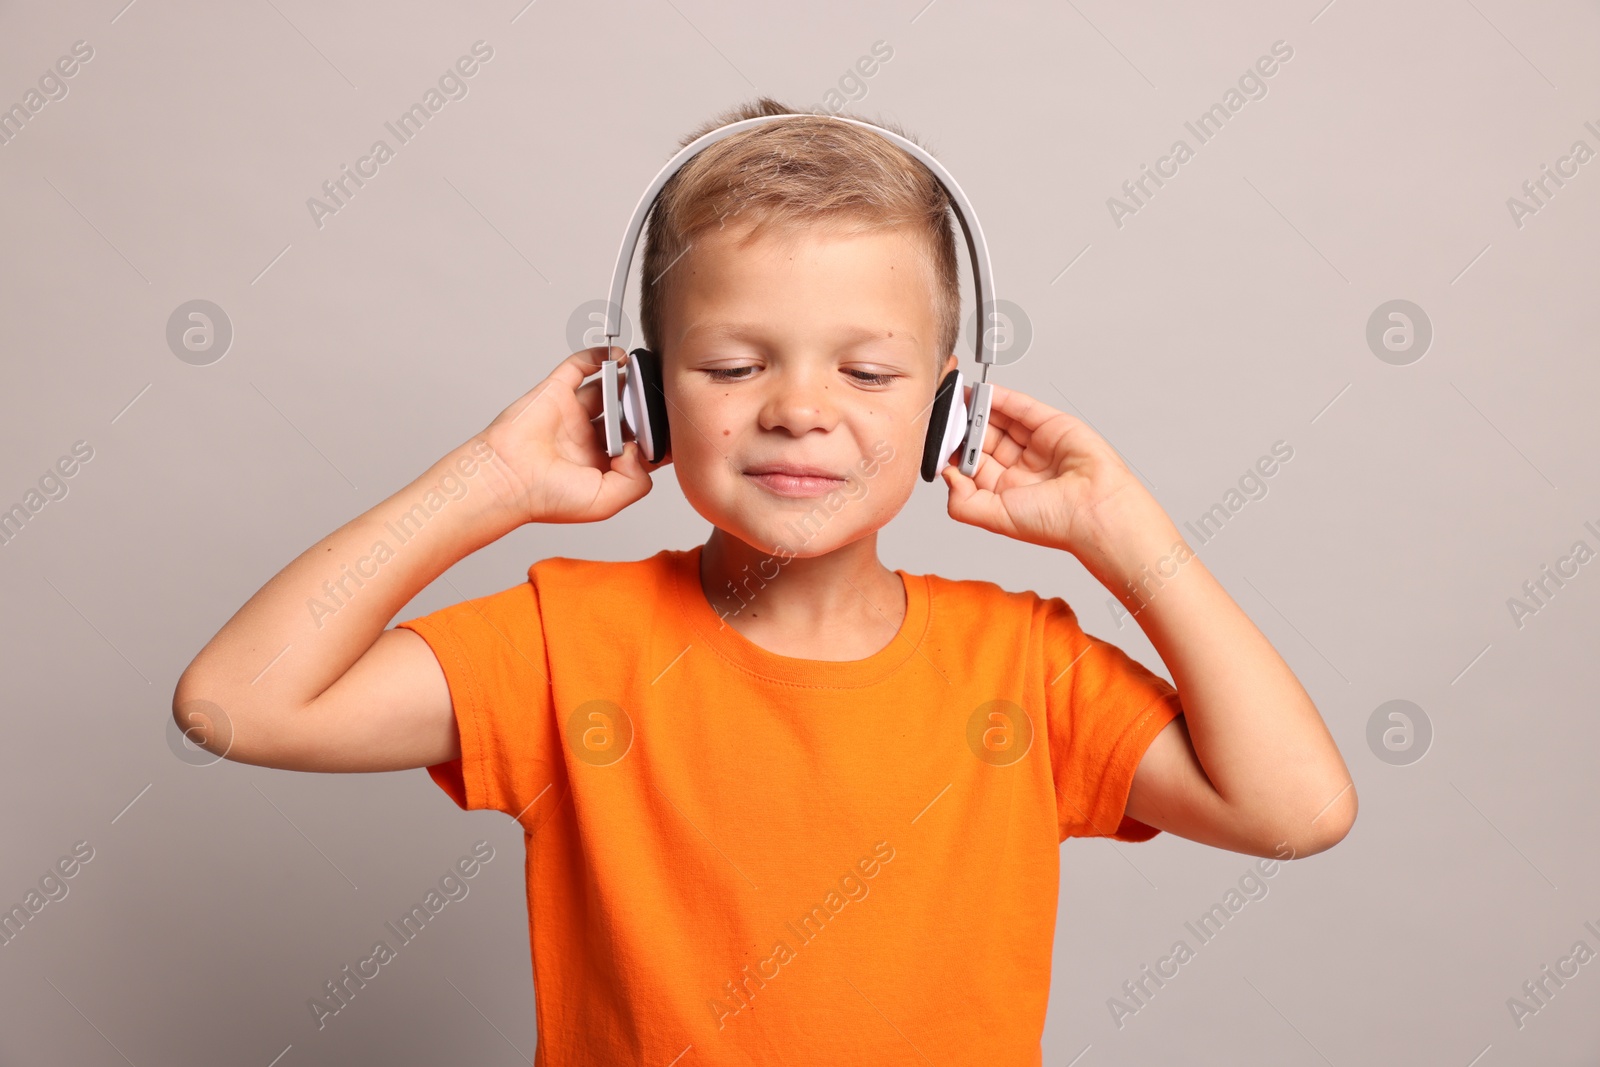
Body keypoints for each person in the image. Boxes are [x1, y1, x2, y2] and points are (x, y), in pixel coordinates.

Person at [172, 97, 1355, 1063]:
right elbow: (238, 702)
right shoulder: (567, 641)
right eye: (734, 364)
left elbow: (1294, 810)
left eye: (870, 372)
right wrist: (487, 480)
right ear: (642, 394)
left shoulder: (1024, 668)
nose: (797, 409)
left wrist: (1120, 531)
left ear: (954, 407)